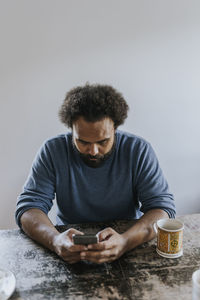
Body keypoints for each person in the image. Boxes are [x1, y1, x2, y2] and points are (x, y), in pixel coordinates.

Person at [16, 84, 176, 264]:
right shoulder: (52, 150)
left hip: (129, 243)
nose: (93, 151)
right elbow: (29, 209)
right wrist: (54, 239)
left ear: (115, 129)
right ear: (71, 130)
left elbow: (162, 209)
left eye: (103, 141)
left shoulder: (138, 150)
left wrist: (125, 241)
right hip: (69, 247)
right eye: (82, 141)